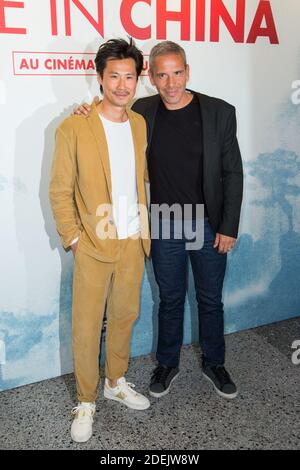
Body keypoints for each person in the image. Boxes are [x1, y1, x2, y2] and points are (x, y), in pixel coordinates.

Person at [74, 41, 243, 402]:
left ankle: (215, 363)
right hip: (163, 222)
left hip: (207, 222)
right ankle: (168, 364)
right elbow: (108, 123)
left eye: (177, 72)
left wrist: (229, 226)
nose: (170, 83)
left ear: (187, 71)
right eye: (162, 74)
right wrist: (83, 113)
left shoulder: (219, 112)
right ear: (150, 76)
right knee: (169, 299)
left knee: (210, 300)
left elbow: (233, 172)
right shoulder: (141, 110)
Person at [49, 38, 151, 443]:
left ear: (137, 79)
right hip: (93, 242)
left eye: (130, 77)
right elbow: (60, 189)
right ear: (100, 78)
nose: (122, 86)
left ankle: (115, 382)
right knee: (87, 325)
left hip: (131, 240)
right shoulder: (74, 125)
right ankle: (86, 399)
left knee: (125, 316)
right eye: (115, 77)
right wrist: (73, 238)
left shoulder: (140, 123)